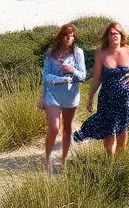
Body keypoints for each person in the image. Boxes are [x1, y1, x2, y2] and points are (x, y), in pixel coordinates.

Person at [74, 22, 129, 156]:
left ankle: (120, 158)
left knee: (122, 130)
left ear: (121, 35)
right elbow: (97, 78)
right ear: (107, 36)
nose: (114, 36)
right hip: (107, 99)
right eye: (111, 34)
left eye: (116, 33)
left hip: (125, 100)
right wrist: (90, 98)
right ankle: (109, 161)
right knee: (109, 131)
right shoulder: (101, 53)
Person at [42, 23, 87, 170]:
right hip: (52, 94)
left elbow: (83, 76)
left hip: (70, 95)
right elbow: (46, 76)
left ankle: (63, 159)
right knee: (54, 128)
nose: (70, 38)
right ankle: (47, 158)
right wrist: (60, 79)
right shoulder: (51, 52)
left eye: (73, 36)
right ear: (61, 37)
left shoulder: (78, 53)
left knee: (67, 128)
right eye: (67, 36)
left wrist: (72, 69)